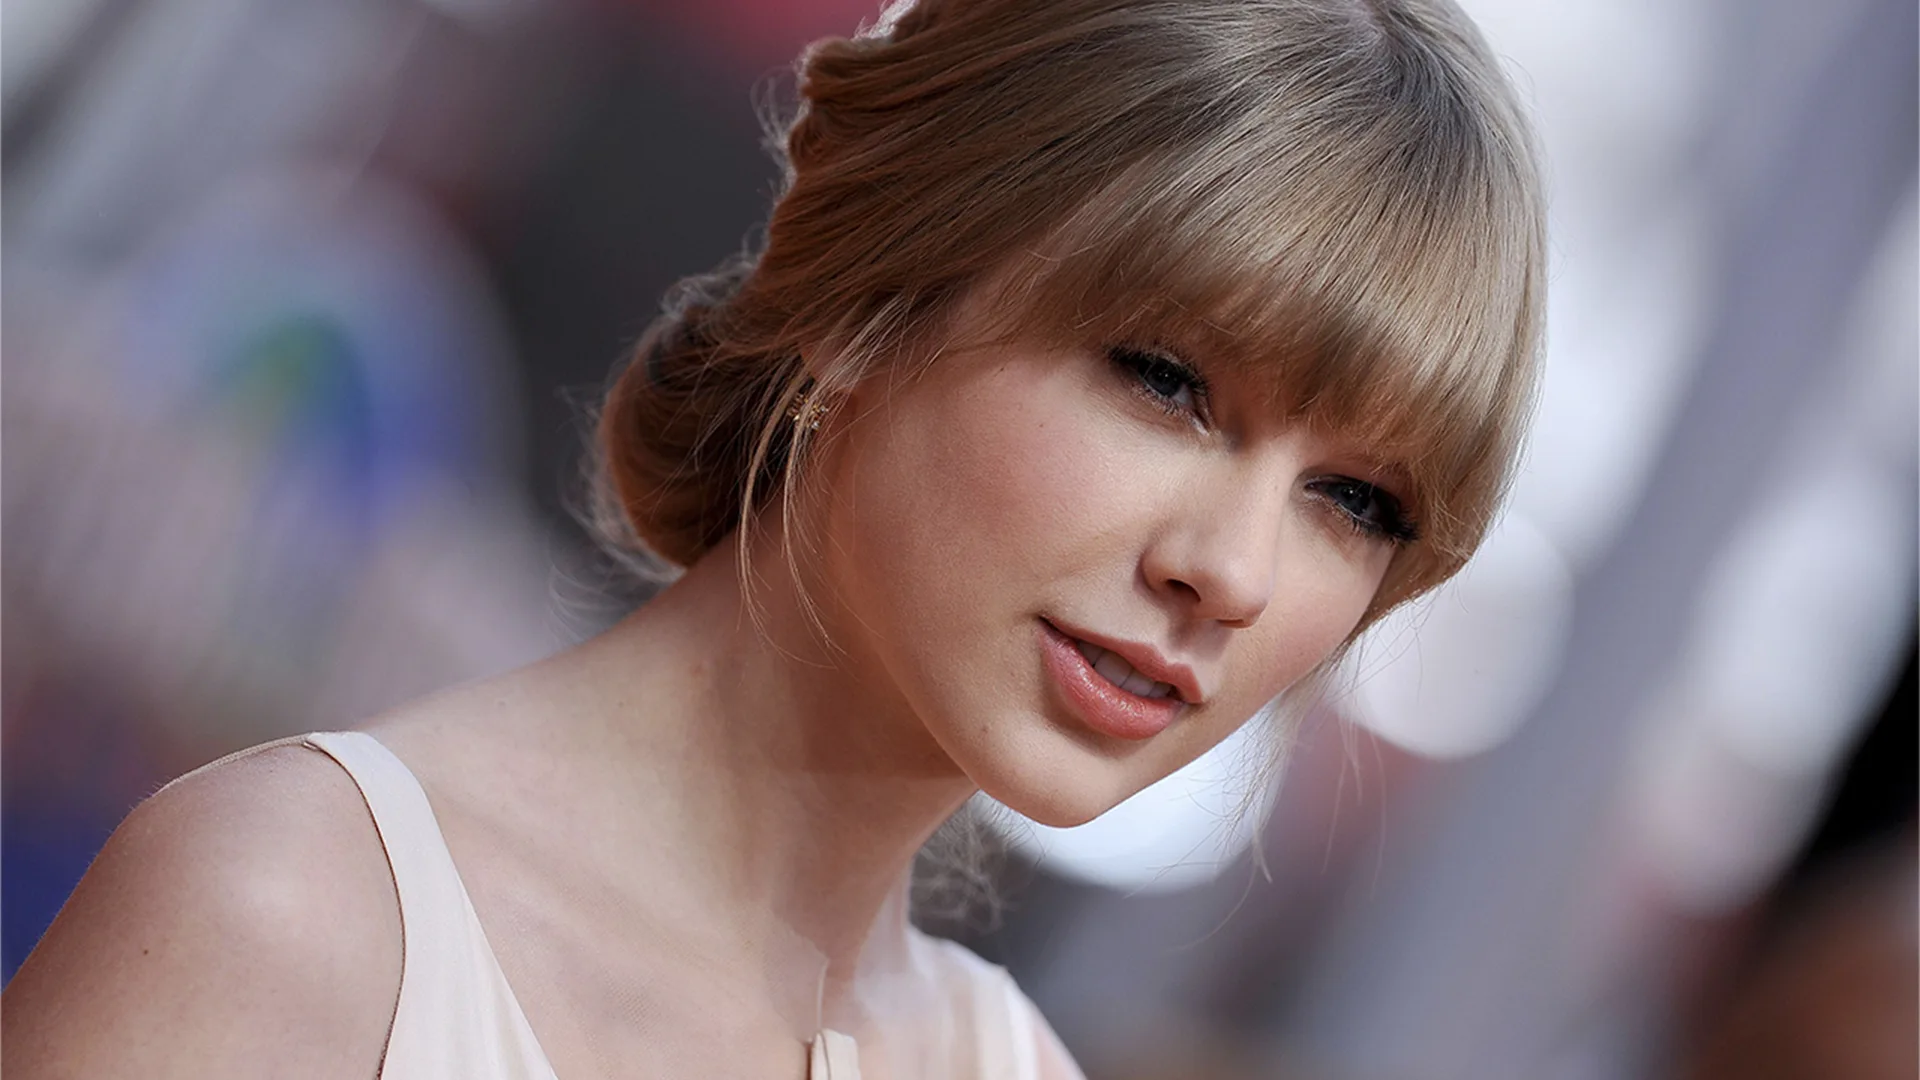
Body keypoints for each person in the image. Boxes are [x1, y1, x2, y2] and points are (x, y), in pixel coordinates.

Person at [1, 0, 1545, 1075]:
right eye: (1168, 381)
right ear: (869, 308)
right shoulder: (294, 917)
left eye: (1358, 504)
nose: (1239, 569)